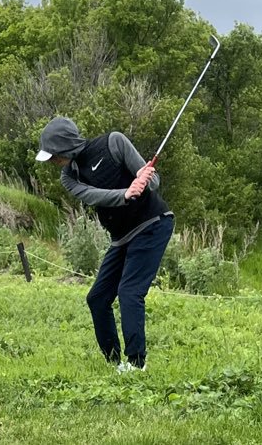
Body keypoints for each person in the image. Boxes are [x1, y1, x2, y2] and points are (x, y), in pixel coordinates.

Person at [36, 116, 174, 373]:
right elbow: (93, 195)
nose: (53, 161)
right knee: (97, 298)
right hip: (122, 237)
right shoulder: (69, 177)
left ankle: (136, 365)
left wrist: (144, 176)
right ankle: (115, 364)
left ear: (66, 146)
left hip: (152, 224)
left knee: (130, 292)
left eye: (54, 155)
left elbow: (153, 184)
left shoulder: (114, 142)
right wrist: (124, 194)